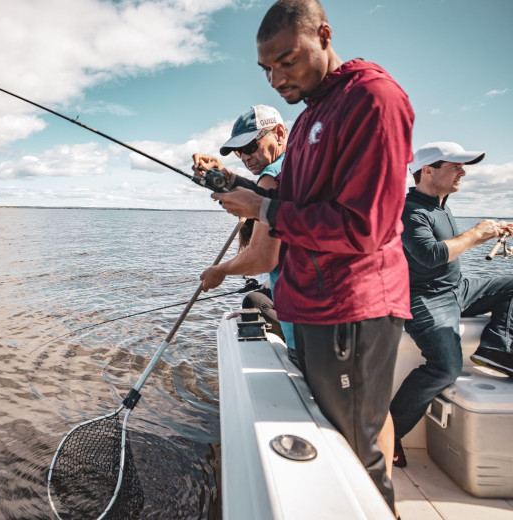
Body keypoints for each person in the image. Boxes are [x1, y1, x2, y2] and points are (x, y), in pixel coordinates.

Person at [210, 0, 414, 514]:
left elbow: (363, 228)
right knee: (340, 444)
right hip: (317, 309)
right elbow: (291, 204)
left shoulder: (373, 99)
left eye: (287, 60)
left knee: (358, 458)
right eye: (266, 69)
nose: (277, 78)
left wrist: (261, 206)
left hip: (352, 309)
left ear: (324, 34)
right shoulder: (309, 118)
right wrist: (230, 185)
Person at [389, 142, 513, 468]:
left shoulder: (441, 204)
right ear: (428, 171)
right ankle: (389, 435)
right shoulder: (409, 210)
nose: (463, 172)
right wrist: (477, 233)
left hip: (458, 289)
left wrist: (492, 231)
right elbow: (429, 255)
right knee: (446, 367)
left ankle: (496, 350)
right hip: (424, 297)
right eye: (455, 166)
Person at [192, 104, 296, 354]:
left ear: (280, 133)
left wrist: (220, 271)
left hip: (303, 320)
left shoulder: (271, 175)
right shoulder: (295, 166)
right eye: (239, 152)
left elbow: (263, 257)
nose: (246, 157)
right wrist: (227, 179)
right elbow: (267, 199)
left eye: (250, 147)